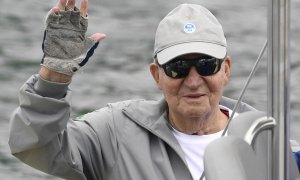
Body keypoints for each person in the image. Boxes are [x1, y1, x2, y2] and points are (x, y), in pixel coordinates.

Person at [8, 0, 257, 180]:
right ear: (156, 75)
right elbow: (34, 147)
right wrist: (53, 78)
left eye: (206, 65)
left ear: (226, 69)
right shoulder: (114, 133)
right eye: (177, 68)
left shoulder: (266, 140)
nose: (193, 81)